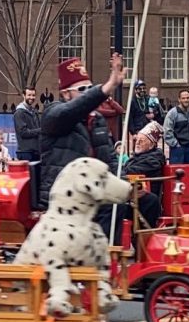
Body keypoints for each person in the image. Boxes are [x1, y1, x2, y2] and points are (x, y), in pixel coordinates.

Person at [37, 53, 125, 211]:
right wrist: (107, 87)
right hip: (64, 194)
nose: (87, 93)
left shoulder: (97, 119)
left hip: (93, 190)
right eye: (81, 89)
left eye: (90, 88)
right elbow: (73, 110)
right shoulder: (53, 115)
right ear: (65, 93)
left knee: (148, 202)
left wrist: (125, 184)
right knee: (112, 210)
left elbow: (110, 159)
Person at [162, 89, 189, 165]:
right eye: (183, 98)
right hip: (177, 150)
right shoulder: (172, 113)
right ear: (179, 99)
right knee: (177, 174)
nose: (186, 100)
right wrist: (175, 144)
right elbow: (167, 131)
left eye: (187, 98)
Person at [12, 88, 41, 163]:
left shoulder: (34, 112)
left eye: (33, 95)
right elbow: (23, 132)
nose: (31, 97)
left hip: (36, 152)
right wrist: (40, 130)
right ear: (23, 95)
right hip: (25, 152)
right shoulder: (19, 113)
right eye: (29, 95)